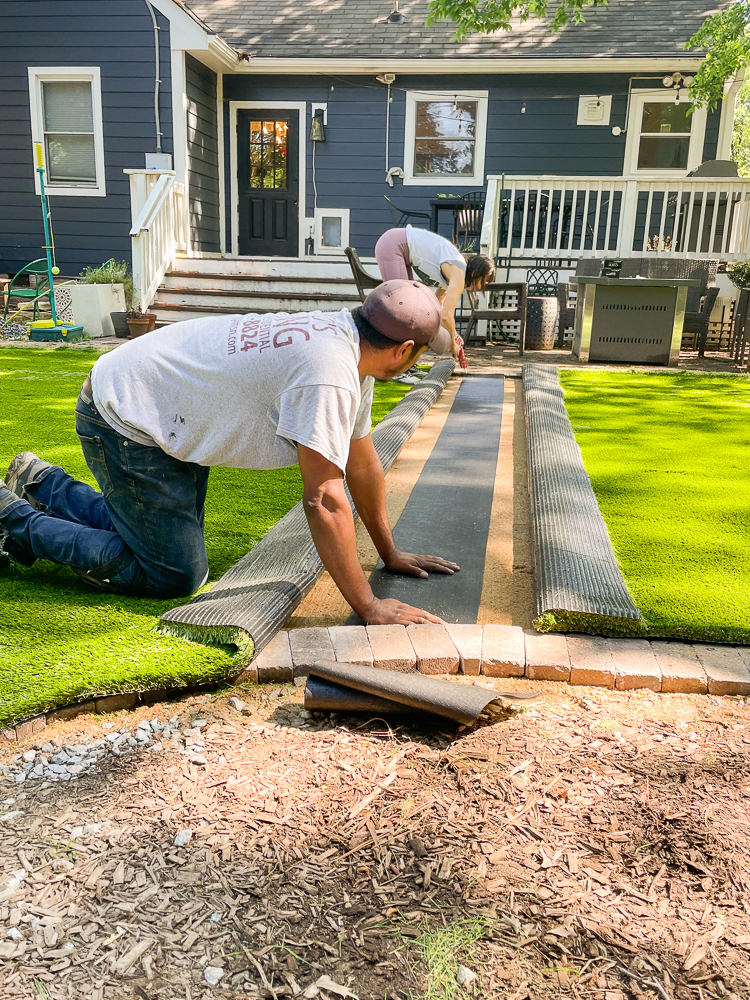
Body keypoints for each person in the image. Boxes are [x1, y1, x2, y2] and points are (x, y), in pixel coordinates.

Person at [0, 280, 459, 626]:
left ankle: (42, 483)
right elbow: (324, 499)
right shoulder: (328, 371)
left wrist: (389, 551)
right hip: (126, 414)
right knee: (171, 575)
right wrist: (369, 605)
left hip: (169, 409)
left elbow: (361, 463)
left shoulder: (347, 347)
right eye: (419, 354)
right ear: (402, 351)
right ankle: (12, 520)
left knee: (157, 541)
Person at [375, 225, 496, 361]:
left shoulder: (452, 271)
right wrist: (452, 345)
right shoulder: (458, 272)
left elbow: (437, 309)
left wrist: (453, 335)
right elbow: (446, 316)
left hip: (400, 249)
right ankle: (393, 363)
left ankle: (407, 364)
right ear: (475, 272)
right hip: (393, 246)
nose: (479, 286)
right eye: (482, 281)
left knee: (410, 313)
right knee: (403, 312)